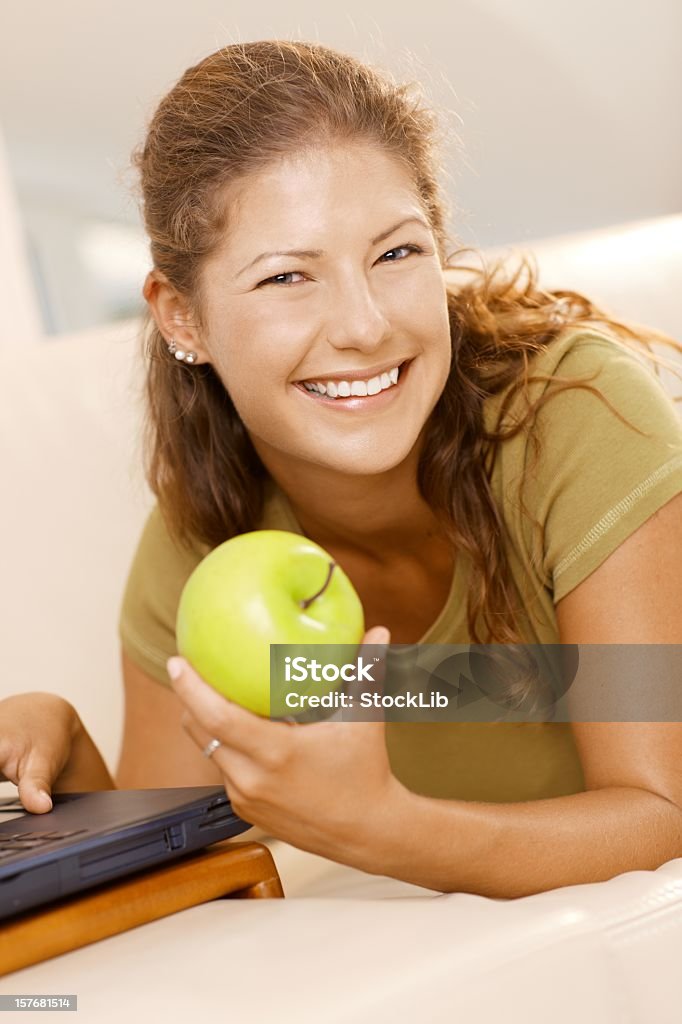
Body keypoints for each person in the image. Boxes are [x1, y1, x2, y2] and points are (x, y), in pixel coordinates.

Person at [2, 40, 681, 897]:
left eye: (396, 254)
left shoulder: (571, 422)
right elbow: (187, 880)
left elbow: (662, 812)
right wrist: (67, 771)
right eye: (288, 276)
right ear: (184, 318)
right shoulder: (201, 547)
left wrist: (385, 825)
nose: (363, 326)